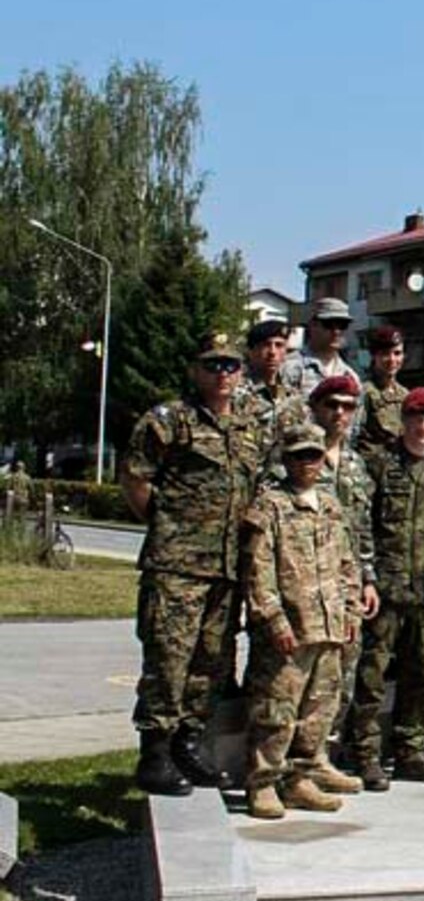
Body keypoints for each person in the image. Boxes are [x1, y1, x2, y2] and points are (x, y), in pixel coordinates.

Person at [123, 333, 264, 796]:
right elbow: (136, 478)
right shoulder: (169, 420)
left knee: (212, 661)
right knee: (169, 658)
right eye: (212, 365)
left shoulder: (248, 426)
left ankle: (189, 742)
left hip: (226, 568)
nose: (222, 374)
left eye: (230, 365)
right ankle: (155, 753)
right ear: (195, 370)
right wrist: (168, 528)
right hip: (177, 566)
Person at [241, 422, 365, 819]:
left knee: (318, 710)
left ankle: (299, 779)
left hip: (329, 626)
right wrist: (273, 619)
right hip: (290, 631)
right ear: (286, 459)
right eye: (299, 456)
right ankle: (263, 783)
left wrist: (350, 610)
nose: (307, 463)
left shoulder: (330, 505)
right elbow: (258, 570)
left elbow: (347, 562)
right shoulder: (271, 506)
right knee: (276, 709)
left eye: (314, 455)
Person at [353, 386, 424, 789]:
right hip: (386, 591)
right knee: (372, 676)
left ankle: (410, 750)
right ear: (403, 421)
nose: (423, 428)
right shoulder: (380, 466)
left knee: (421, 674)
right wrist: (367, 578)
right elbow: (362, 526)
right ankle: (365, 753)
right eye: (416, 419)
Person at [305, 376, 378, 755]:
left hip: (346, 588)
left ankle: (325, 756)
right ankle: (291, 760)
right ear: (315, 408)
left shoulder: (355, 465)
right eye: (331, 405)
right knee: (299, 679)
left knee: (343, 674)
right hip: (305, 584)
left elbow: (363, 527)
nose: (339, 413)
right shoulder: (297, 458)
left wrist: (368, 579)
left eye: (347, 407)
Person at [237, 319, 306, 461]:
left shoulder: (293, 396)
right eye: (265, 345)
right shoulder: (236, 391)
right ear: (251, 351)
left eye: (279, 345)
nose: (272, 352)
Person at [280, 298, 358, 401]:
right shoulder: (289, 366)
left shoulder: (349, 375)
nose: (336, 332)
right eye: (329, 324)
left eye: (342, 326)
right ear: (313, 325)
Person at [356, 326, 408, 461]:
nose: (392, 360)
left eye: (397, 353)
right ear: (374, 356)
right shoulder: (364, 393)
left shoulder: (405, 395)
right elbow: (354, 436)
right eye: (385, 354)